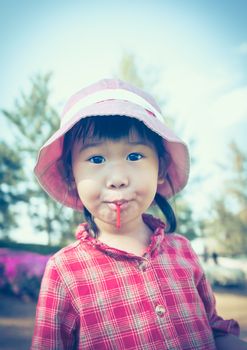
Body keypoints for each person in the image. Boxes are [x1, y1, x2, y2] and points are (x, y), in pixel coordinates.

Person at [31, 79, 247, 349]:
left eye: (135, 156)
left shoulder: (183, 252)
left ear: (161, 168)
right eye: (96, 159)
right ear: (70, 175)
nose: (118, 179)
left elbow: (213, 330)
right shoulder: (64, 271)